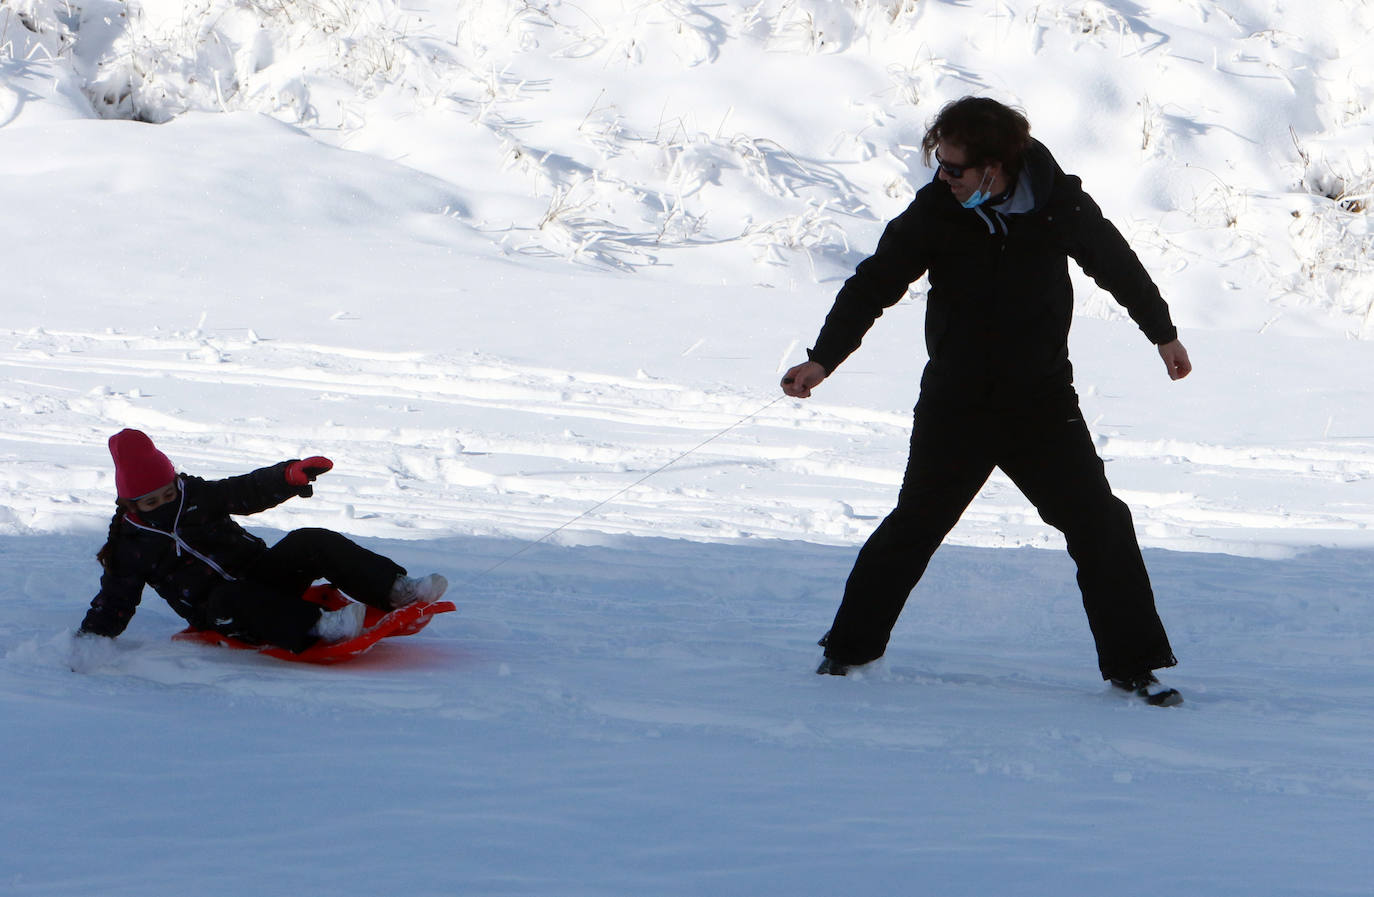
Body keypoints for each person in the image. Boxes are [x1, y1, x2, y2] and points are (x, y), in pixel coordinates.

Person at [782, 96, 1190, 705]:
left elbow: (1117, 265)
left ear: (997, 167)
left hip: (1041, 402)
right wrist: (823, 359)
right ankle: (847, 653)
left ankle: (1135, 668)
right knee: (916, 525)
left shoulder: (1059, 206)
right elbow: (874, 284)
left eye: (956, 169)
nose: (943, 179)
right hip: (958, 401)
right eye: (939, 166)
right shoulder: (935, 213)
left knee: (1102, 523)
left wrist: (1162, 333)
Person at [76, 428, 449, 653]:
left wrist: (288, 477)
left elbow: (245, 491)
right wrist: (90, 640)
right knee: (228, 596)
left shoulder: (196, 496)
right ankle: (320, 625)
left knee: (308, 540)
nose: (162, 504)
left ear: (175, 482)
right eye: (150, 501)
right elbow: (115, 598)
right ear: (130, 502)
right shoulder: (129, 544)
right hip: (222, 611)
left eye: (167, 494)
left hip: (262, 576)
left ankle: (396, 589)